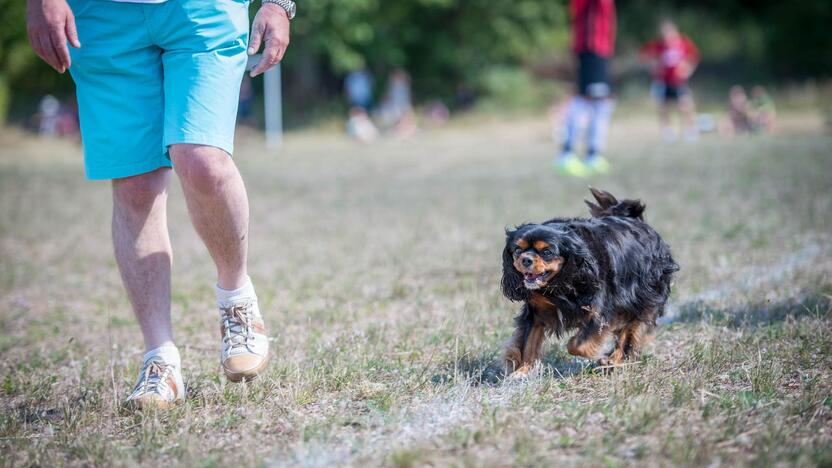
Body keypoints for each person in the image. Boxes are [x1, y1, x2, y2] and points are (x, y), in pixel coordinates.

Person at [26, 0, 295, 409]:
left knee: (201, 159)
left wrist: (279, 3)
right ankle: (160, 359)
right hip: (102, 15)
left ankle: (236, 298)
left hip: (203, 8)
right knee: (135, 183)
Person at [556, 0, 617, 177]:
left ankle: (592, 154)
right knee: (587, 101)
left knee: (601, 103)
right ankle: (567, 154)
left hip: (599, 50)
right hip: (593, 48)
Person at [640, 19, 700, 142]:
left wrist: (688, 69)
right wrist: (652, 66)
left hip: (679, 82)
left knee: (685, 106)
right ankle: (667, 132)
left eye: (668, 32)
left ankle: (690, 130)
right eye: (664, 33)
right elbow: (644, 55)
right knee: (663, 108)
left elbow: (694, 56)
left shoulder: (683, 43)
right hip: (663, 82)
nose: (666, 35)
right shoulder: (659, 45)